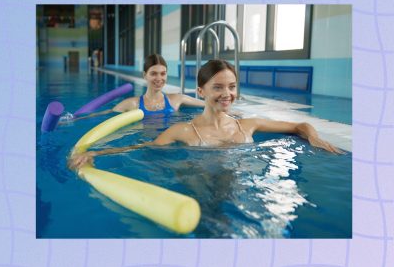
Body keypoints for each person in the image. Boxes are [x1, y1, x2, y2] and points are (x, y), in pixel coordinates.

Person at [69, 59, 342, 169]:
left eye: (232, 87)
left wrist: (315, 139)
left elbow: (300, 125)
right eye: (219, 87)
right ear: (201, 91)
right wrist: (96, 153)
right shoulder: (182, 131)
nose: (227, 94)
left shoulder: (249, 125)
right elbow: (142, 147)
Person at [72, 54, 204, 121]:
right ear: (144, 75)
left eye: (163, 74)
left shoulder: (177, 99)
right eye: (154, 73)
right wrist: (74, 119)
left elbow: (207, 105)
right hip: (143, 148)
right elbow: (105, 115)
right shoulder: (131, 103)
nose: (159, 78)